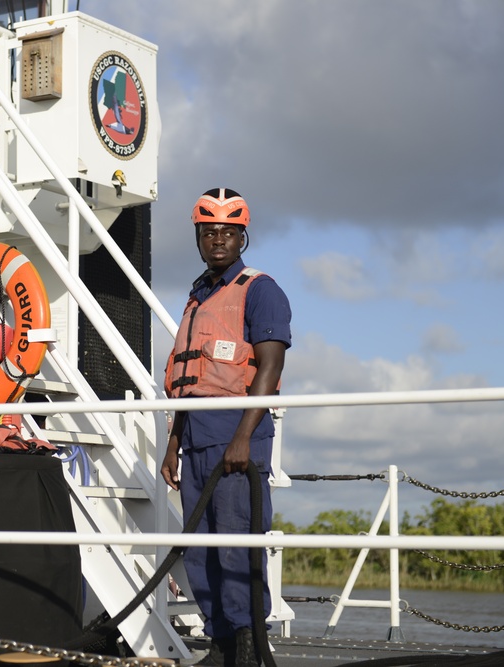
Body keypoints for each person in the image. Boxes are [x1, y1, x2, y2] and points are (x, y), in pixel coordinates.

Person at [161, 188, 291, 667]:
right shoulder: (197, 296)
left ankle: (248, 646)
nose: (218, 239)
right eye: (209, 231)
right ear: (198, 237)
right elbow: (186, 381)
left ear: (243, 238)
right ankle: (219, 645)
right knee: (200, 549)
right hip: (195, 436)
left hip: (238, 432)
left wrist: (242, 437)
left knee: (237, 546)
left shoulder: (260, 290)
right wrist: (173, 443)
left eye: (228, 232)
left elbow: (270, 367)